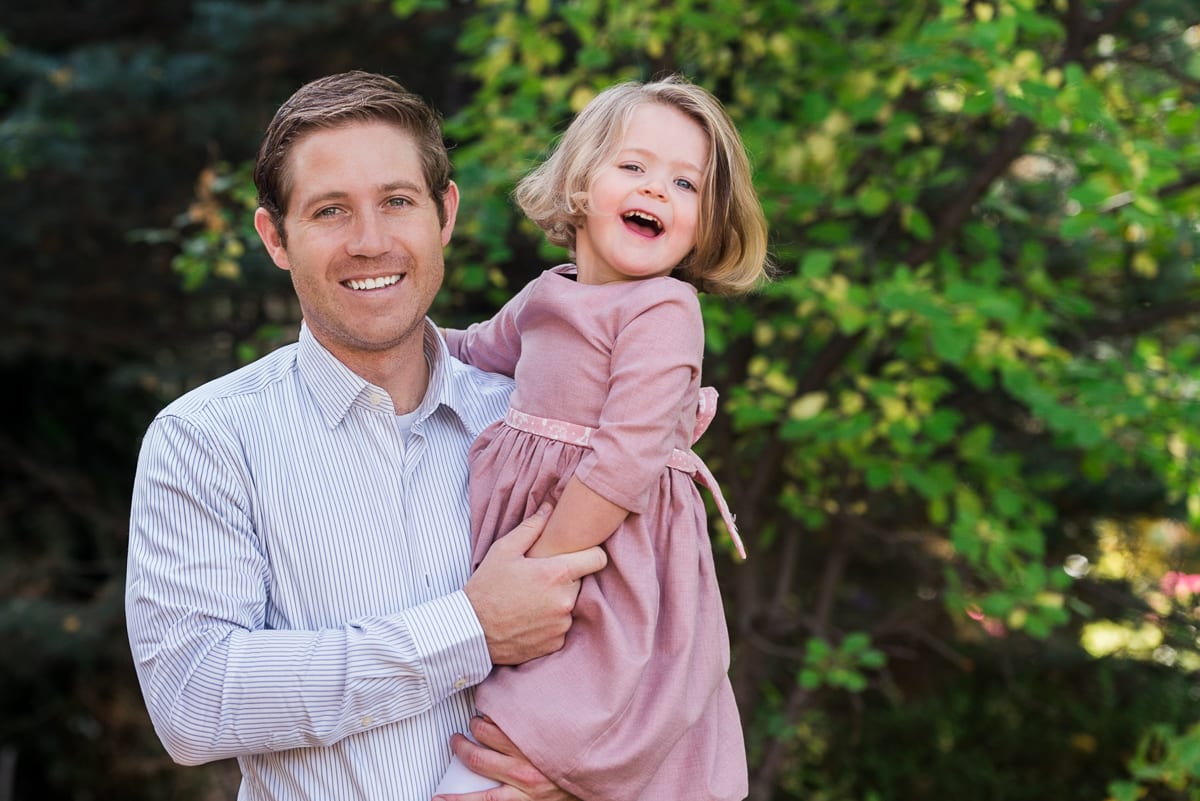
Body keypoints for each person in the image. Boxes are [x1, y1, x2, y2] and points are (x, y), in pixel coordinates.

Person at [124, 70, 607, 801]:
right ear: (275, 237)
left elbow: (650, 655)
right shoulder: (207, 441)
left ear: (445, 213)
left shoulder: (533, 425)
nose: (370, 241)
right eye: (330, 211)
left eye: (397, 202)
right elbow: (192, 702)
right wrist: (469, 629)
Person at [435, 75, 771, 801]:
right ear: (580, 182)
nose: (657, 189)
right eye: (634, 165)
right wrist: (394, 337)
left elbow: (625, 460)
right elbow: (467, 350)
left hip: (610, 563)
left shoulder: (664, 310)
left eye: (685, 183)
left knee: (538, 738)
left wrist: (542, 568)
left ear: (706, 221)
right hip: (535, 558)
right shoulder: (546, 294)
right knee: (492, 725)